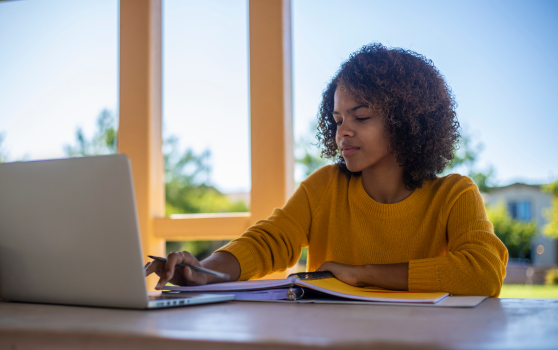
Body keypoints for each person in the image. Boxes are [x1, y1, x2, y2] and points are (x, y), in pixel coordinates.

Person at [145, 43, 509, 297]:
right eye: (337, 120)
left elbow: (483, 271)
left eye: (361, 116)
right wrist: (204, 272)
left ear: (408, 122)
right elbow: (267, 241)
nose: (343, 131)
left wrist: (362, 274)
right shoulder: (325, 187)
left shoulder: (454, 194)